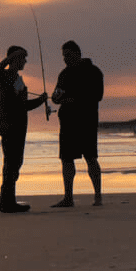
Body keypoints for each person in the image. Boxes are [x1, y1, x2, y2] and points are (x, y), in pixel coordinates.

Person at [0, 45, 48, 213]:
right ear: (15, 59)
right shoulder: (5, 75)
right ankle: (6, 203)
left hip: (18, 126)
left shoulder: (17, 79)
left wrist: (40, 100)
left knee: (15, 163)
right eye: (22, 58)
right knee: (11, 163)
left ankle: (8, 200)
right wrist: (11, 57)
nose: (25, 61)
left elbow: (23, 105)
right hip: (9, 126)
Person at [50, 40, 104, 207]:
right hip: (67, 122)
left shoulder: (94, 71)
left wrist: (74, 99)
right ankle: (68, 197)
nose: (65, 59)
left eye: (68, 55)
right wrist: (57, 97)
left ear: (77, 53)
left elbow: (98, 95)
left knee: (91, 158)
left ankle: (98, 196)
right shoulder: (64, 74)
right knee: (66, 159)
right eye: (64, 56)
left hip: (87, 122)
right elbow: (55, 96)